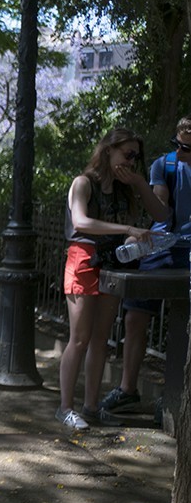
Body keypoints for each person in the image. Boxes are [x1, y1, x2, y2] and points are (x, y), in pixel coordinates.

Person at [58, 129, 169, 431]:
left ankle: (91, 407)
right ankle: (66, 408)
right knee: (79, 339)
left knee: (100, 341)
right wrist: (126, 229)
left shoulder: (125, 188)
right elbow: (80, 221)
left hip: (112, 264)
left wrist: (140, 183)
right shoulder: (84, 183)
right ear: (109, 150)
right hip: (83, 259)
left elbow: (161, 213)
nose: (132, 161)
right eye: (127, 154)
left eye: (136, 156)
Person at [102, 117, 191, 419]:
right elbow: (161, 209)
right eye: (176, 145)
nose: (179, 152)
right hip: (163, 246)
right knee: (135, 315)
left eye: (186, 148)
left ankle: (178, 396)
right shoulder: (163, 166)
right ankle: (127, 390)